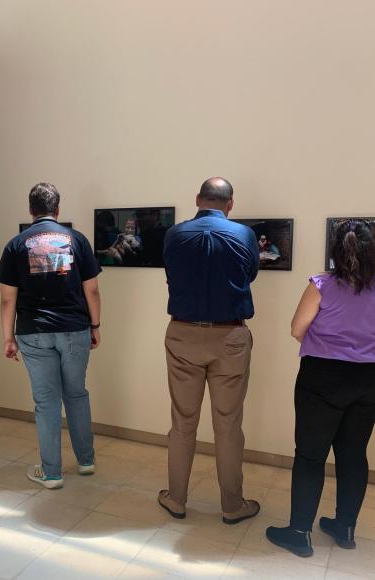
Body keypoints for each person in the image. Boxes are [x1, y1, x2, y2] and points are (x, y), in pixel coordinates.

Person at [266, 219, 375, 557]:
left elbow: (297, 329)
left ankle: (299, 532)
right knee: (353, 454)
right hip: (369, 379)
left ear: (334, 251)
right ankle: (344, 528)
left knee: (311, 455)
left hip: (322, 377)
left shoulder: (321, 285)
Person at [158, 177, 260, 524]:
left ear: (198, 199)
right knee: (228, 424)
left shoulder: (174, 234)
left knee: (183, 421)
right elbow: (250, 275)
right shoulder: (244, 235)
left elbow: (171, 274)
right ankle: (233, 505)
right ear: (230, 204)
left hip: (183, 334)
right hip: (229, 336)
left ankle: (176, 499)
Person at [0, 182, 101, 489]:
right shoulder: (77, 240)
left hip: (34, 331)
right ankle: (86, 461)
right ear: (58, 209)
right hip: (74, 329)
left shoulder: (17, 244)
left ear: (30, 210)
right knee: (77, 394)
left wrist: (8, 339)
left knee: (46, 401)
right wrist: (95, 326)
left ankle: (51, 472)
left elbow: (6, 299)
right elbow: (91, 290)